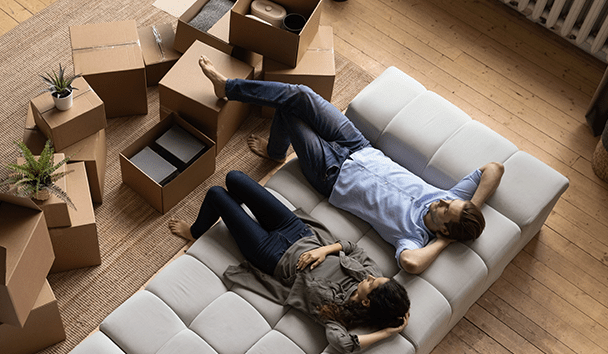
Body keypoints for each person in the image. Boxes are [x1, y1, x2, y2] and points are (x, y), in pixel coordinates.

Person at [197, 55, 505, 274]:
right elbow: (494, 168)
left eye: (443, 211)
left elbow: (411, 264)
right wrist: (470, 204)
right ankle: (228, 89)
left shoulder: (412, 238)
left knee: (288, 112)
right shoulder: (451, 199)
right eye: (449, 201)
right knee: (301, 95)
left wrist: (442, 244)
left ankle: (277, 152)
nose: (441, 201)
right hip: (359, 147)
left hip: (330, 174)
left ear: (443, 231)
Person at [169, 170, 410, 354]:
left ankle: (196, 232)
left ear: (367, 301)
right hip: (298, 231)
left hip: (271, 254)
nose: (370, 276)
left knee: (216, 194)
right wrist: (324, 250)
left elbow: (342, 343)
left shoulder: (338, 316)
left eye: (372, 283)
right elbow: (352, 247)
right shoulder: (371, 273)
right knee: (235, 179)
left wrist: (387, 333)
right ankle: (236, 215)